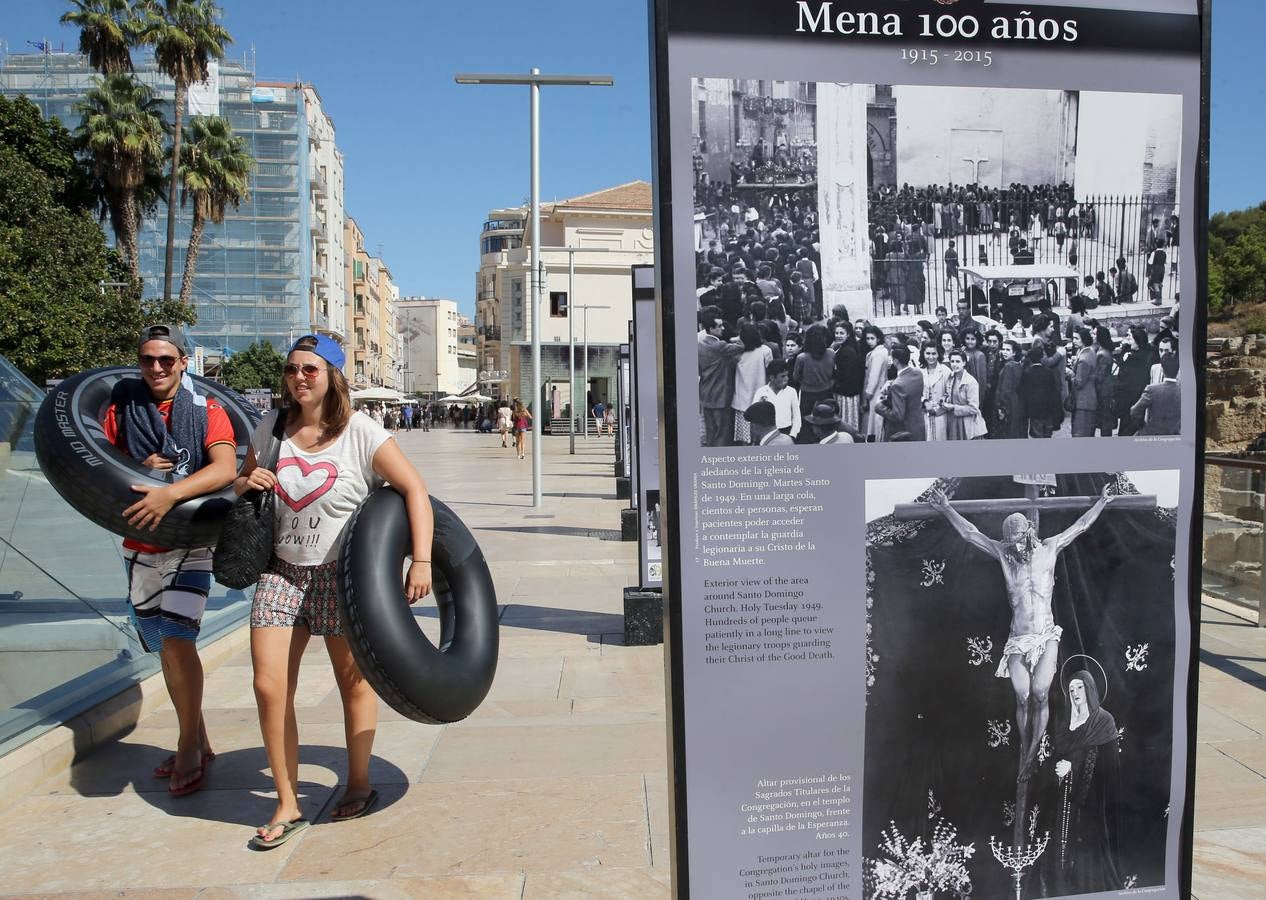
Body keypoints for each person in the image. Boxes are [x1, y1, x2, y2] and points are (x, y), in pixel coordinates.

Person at [235, 334, 435, 848]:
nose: (298, 378)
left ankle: (360, 782)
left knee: (354, 684)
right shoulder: (270, 427)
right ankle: (286, 802)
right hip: (281, 571)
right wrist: (245, 483)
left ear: (331, 376)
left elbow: (414, 489)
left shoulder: (360, 432)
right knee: (268, 685)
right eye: (292, 369)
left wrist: (422, 560)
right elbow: (243, 479)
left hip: (340, 575)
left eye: (310, 370)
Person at [103, 324, 239, 795]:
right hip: (139, 545)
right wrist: (139, 469)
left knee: (179, 640)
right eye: (148, 360)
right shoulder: (122, 408)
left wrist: (169, 493)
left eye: (167, 359)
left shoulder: (207, 411)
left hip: (191, 542)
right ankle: (199, 737)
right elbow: (102, 463)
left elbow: (224, 467)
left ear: (184, 361)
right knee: (163, 643)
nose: (157, 368)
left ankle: (186, 747)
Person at [927, 486, 1114, 782]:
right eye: (1009, 543)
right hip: (1018, 639)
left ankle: (1031, 755)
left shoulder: (1050, 547)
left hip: (1046, 635)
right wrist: (946, 508)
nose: (1013, 547)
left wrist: (1102, 501)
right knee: (1023, 695)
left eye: (1016, 541)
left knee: (1041, 693)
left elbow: (1080, 526)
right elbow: (971, 534)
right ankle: (1027, 746)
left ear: (1027, 533)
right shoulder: (1003, 553)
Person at [1047, 670, 1123, 894]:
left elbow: (1108, 767)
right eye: (1071, 689)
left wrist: (1073, 766)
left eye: (1080, 687)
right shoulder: (1066, 721)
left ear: (1089, 689)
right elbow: (1057, 754)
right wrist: (1060, 771)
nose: (1075, 692)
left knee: (1087, 844)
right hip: (1064, 794)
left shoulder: (1103, 720)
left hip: (1092, 799)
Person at [698, 305, 744, 446]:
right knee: (722, 433)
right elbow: (743, 346)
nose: (723, 328)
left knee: (710, 431)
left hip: (706, 394)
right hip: (721, 395)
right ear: (710, 329)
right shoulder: (720, 346)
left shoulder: (699, 343)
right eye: (719, 326)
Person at [732, 323, 773, 445]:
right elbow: (770, 371)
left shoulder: (737, 352)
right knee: (762, 437)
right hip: (761, 398)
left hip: (741, 399)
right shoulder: (766, 351)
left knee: (745, 439)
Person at [875, 346, 926, 442]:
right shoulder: (918, 373)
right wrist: (891, 383)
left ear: (896, 361)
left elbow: (897, 416)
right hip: (918, 427)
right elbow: (906, 383)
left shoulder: (897, 385)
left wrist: (879, 406)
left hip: (902, 433)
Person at [940, 348, 987, 440]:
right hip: (954, 422)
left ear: (964, 363)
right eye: (952, 361)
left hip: (968, 423)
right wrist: (944, 399)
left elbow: (973, 408)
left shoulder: (970, 382)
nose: (954, 364)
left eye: (958, 361)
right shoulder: (951, 377)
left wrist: (954, 407)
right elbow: (948, 393)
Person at [1131, 353, 1181, 435]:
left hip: (1152, 433)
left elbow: (1134, 411)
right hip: (1173, 435)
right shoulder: (1182, 392)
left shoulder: (1152, 389)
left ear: (1162, 369)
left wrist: (1142, 426)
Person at [752, 359, 801, 440]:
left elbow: (797, 416)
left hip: (786, 432)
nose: (787, 379)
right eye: (782, 376)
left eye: (787, 375)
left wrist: (793, 435)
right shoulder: (761, 392)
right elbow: (754, 417)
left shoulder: (791, 391)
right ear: (772, 377)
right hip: (766, 434)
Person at [992, 340, 1026, 440]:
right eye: (1003, 349)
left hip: (1008, 405)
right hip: (1017, 403)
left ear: (1014, 352)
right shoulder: (1017, 365)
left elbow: (1005, 391)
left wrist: (1001, 408)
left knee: (1007, 432)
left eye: (1008, 350)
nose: (1004, 352)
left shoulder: (1009, 366)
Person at [1070, 328, 1099, 438]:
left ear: (1084, 340)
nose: (1074, 341)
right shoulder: (1090, 352)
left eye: (1076, 338)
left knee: (1080, 435)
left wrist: (1069, 374)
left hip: (1083, 402)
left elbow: (1079, 382)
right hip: (1089, 400)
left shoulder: (1084, 358)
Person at [919, 343, 950, 441]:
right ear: (923, 354)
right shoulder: (919, 371)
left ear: (938, 354)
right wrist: (925, 402)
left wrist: (940, 405)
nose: (931, 357)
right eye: (928, 353)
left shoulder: (946, 371)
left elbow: (949, 392)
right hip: (924, 413)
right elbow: (916, 392)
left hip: (941, 414)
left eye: (934, 354)